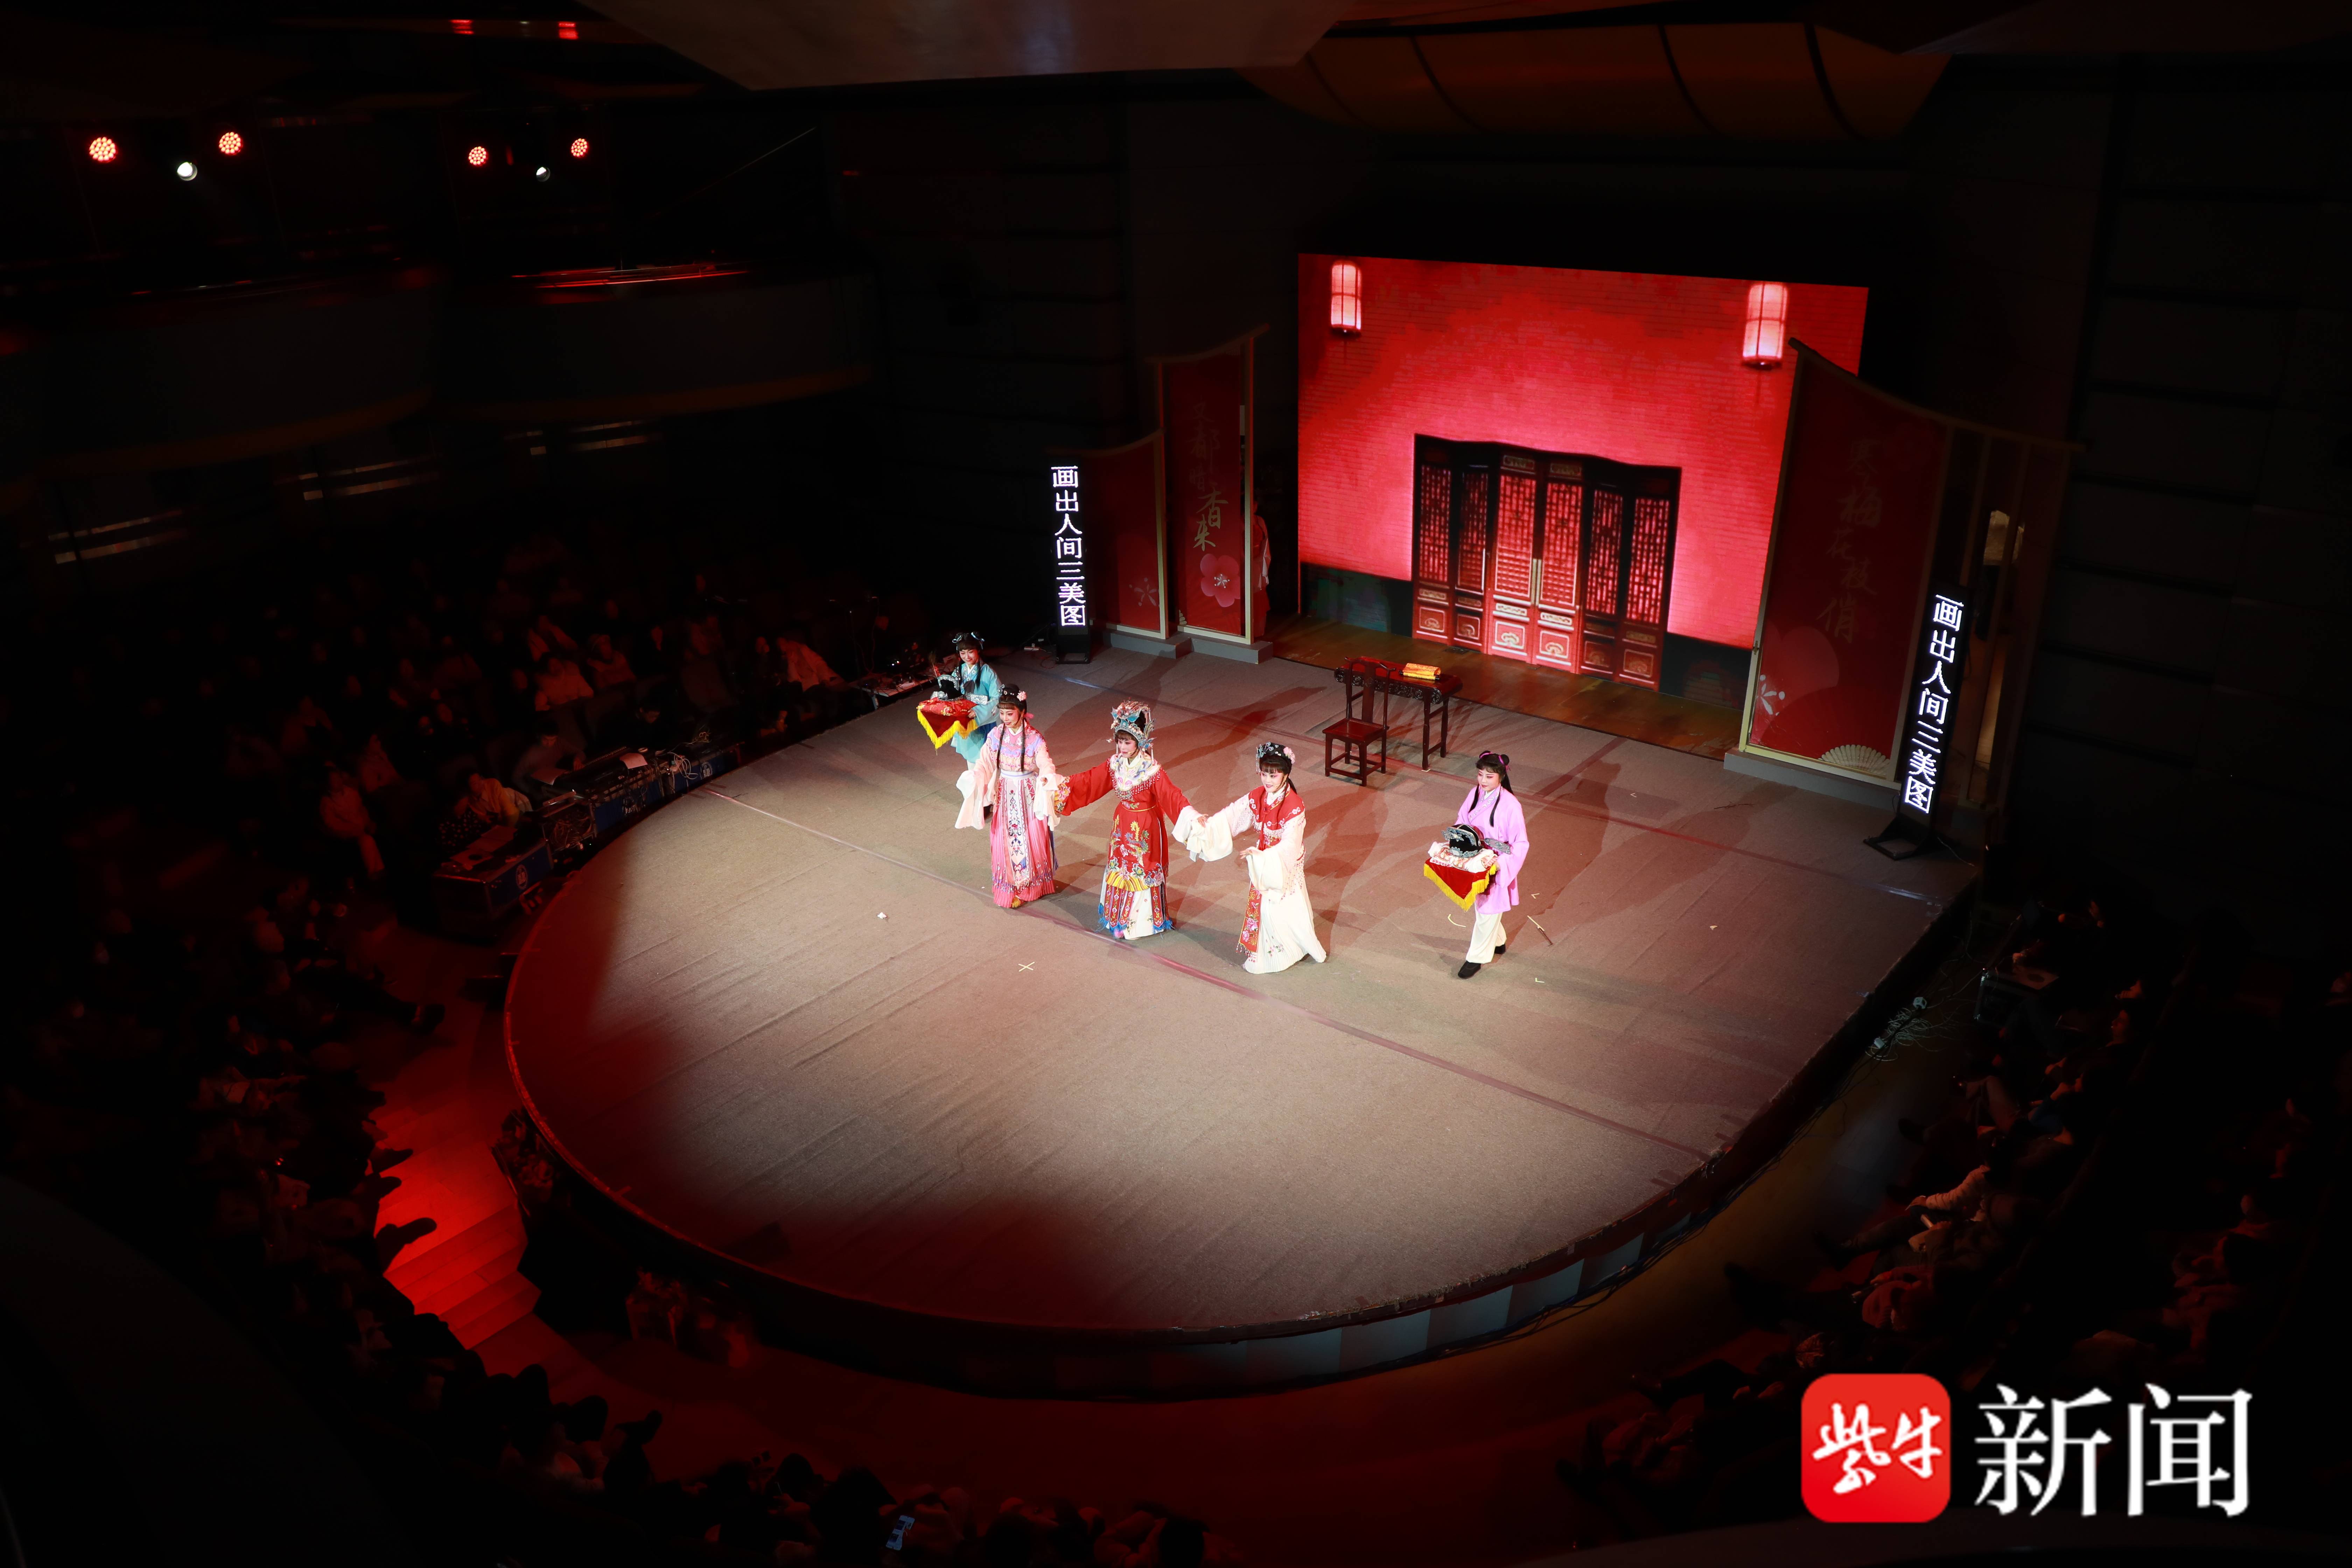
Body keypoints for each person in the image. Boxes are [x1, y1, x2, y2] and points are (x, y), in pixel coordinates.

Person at [1050, 703, 1200, 940]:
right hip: (1122, 824)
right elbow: (1090, 782)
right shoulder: (1115, 764)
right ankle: (1118, 919)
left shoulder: (1151, 771)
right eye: (1120, 741)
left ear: (1140, 742)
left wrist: (1192, 816)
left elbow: (1172, 797)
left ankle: (1140, 924)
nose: (1122, 747)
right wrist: (1056, 787)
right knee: (1120, 868)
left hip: (1146, 828)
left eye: (1128, 742)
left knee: (1141, 869)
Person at [1190, 742, 1325, 974]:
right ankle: (1268, 953)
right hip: (1263, 858)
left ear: (1286, 775)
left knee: (1279, 907)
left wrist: (1263, 856)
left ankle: (1286, 950)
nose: (1268, 781)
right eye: (1264, 774)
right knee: (1263, 908)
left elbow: (1291, 844)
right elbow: (1234, 813)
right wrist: (1209, 825)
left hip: (1281, 862)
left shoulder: (1294, 805)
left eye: (1274, 775)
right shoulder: (1259, 796)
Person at [953, 689, 1058, 909]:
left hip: (1028, 794)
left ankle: (1033, 886)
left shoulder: (1034, 738)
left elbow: (1045, 762)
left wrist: (1047, 776)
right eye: (1002, 714)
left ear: (1022, 712)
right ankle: (1012, 887)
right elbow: (985, 762)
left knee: (1032, 837)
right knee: (1004, 839)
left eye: (1010, 714)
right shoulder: (996, 735)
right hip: (1006, 793)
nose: (1005, 719)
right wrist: (977, 775)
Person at [1453, 750, 1528, 979]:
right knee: (1484, 907)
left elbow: (1520, 844)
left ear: (1501, 776)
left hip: (1496, 862)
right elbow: (1462, 820)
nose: (1483, 781)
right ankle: (1499, 941)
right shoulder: (1476, 793)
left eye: (1489, 777)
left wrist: (1500, 864)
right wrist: (1460, 840)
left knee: (1487, 910)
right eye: (1480, 775)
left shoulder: (1511, 805)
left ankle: (1476, 958)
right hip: (1476, 855)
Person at [941, 631, 1001, 770]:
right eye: (963, 653)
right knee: (971, 764)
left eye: (970, 652)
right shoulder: (959, 671)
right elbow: (952, 693)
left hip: (982, 722)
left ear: (978, 650)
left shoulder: (988, 672)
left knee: (985, 763)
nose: (967, 657)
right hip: (966, 722)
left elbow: (998, 699)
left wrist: (978, 711)